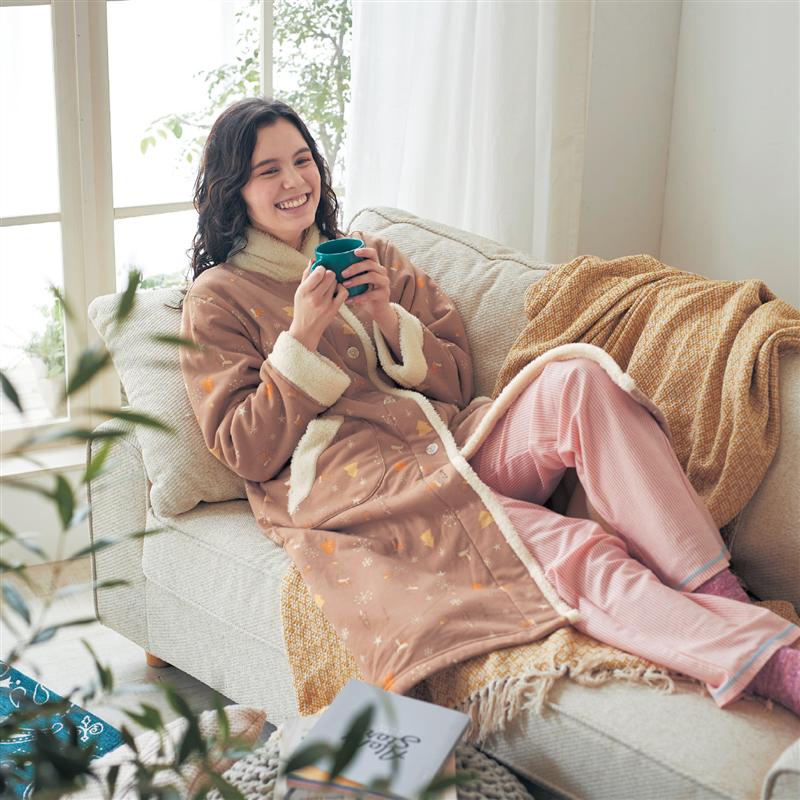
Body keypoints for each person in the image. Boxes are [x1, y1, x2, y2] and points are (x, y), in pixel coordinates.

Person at [179, 97, 799, 717]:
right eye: (269, 171)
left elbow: (455, 379)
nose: (294, 181)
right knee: (575, 550)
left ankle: (717, 589)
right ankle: (767, 663)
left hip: (456, 440)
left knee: (579, 379)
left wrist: (384, 315)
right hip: (372, 491)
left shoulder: (373, 256)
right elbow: (246, 450)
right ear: (236, 190)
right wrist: (302, 336)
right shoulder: (216, 299)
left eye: (302, 160)